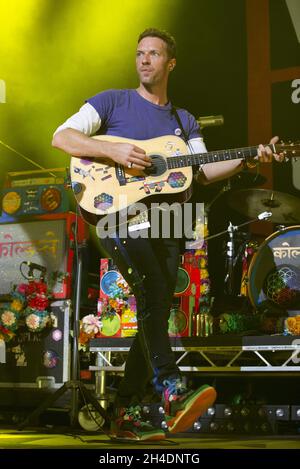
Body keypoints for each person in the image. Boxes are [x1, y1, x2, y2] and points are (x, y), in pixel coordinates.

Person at [52, 28, 283, 441]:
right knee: (154, 288)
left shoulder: (183, 121)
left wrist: (250, 158)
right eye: (139, 53)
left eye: (153, 54)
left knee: (155, 307)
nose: (143, 60)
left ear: (170, 63)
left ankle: (124, 415)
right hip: (117, 213)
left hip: (167, 225)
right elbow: (62, 137)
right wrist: (114, 150)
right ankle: (172, 390)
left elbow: (204, 170)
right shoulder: (111, 102)